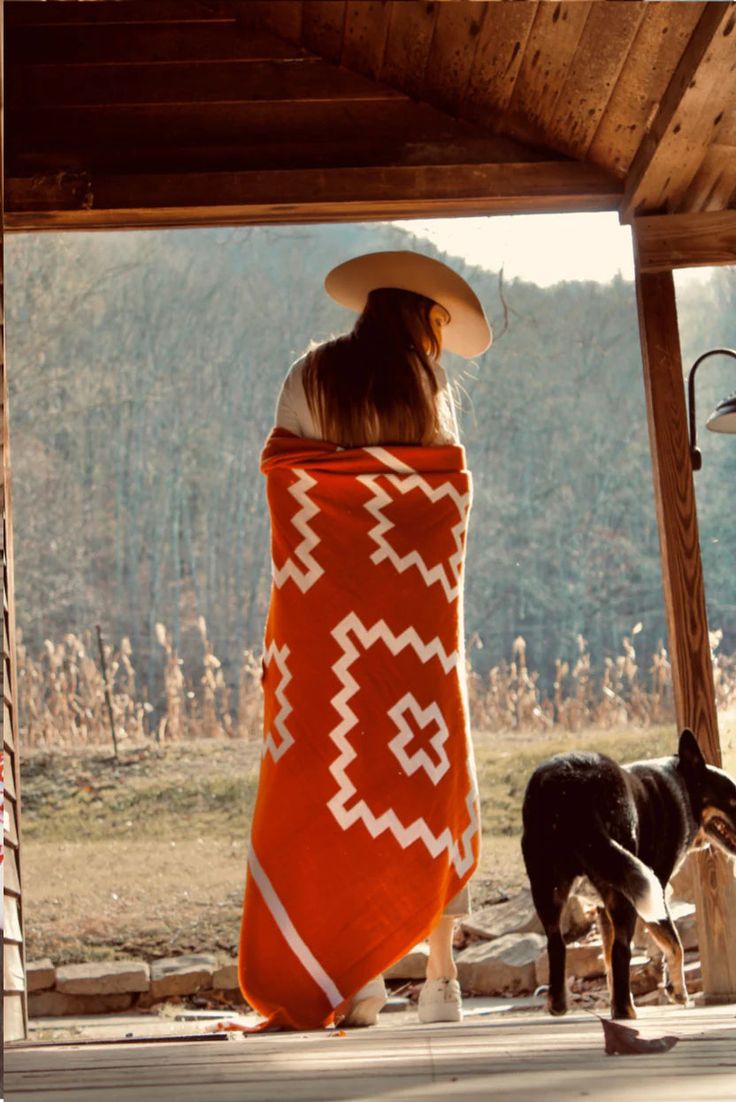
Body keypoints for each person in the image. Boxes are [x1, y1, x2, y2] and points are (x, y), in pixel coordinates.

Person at [238, 250, 491, 1031]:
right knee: (430, 783)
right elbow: (436, 504)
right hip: (414, 639)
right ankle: (441, 979)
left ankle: (354, 981)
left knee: (323, 790)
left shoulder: (311, 376)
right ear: (422, 321)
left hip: (324, 637)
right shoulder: (427, 393)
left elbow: (293, 487)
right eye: (439, 326)